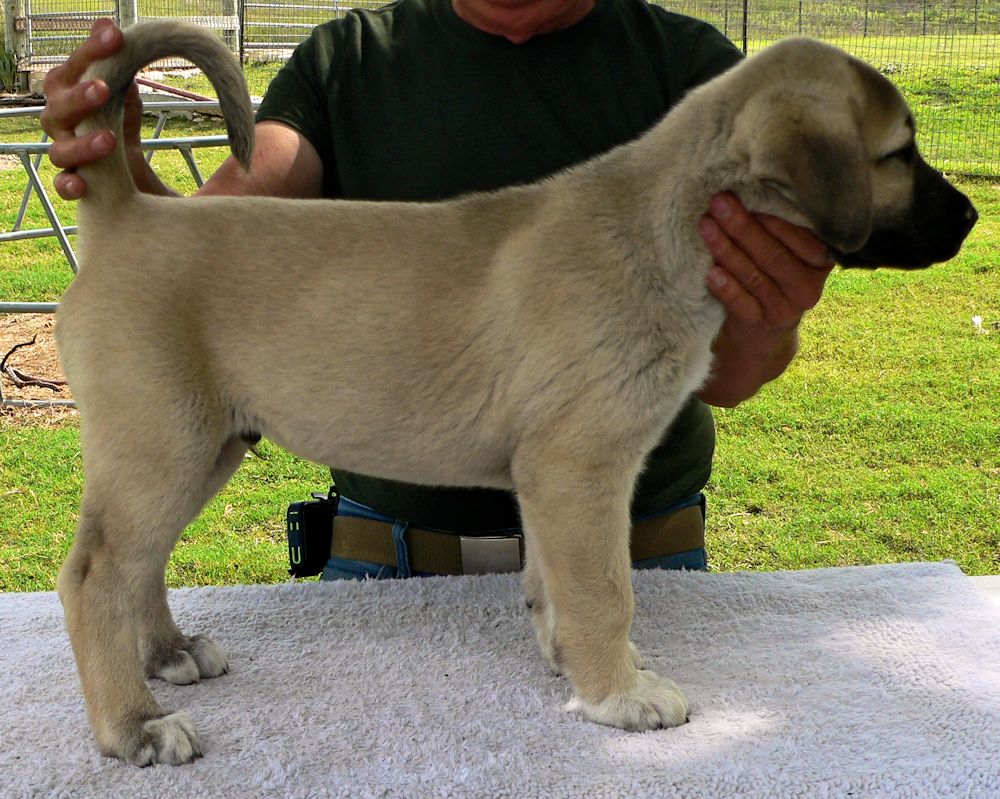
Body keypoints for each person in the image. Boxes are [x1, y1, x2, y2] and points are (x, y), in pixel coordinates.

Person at [42, 0, 833, 580]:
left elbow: (734, 371)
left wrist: (770, 313)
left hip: (634, 556)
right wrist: (119, 167)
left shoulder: (694, 78)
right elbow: (214, 252)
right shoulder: (349, 60)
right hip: (386, 558)